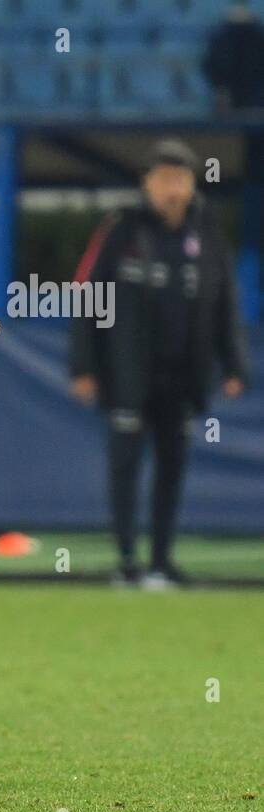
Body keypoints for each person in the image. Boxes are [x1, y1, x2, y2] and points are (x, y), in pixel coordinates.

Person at [69, 139, 249, 589]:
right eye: (164, 178)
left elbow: (225, 303)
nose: (172, 188)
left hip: (183, 374)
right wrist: (83, 365)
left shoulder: (207, 234)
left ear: (191, 184)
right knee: (126, 464)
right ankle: (127, 561)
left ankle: (162, 562)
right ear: (146, 183)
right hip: (128, 372)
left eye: (181, 179)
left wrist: (234, 365)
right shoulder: (121, 230)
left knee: (172, 468)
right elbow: (88, 298)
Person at [202, 4, 264, 112]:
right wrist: (220, 88)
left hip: (255, 92)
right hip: (229, 90)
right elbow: (211, 64)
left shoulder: (257, 36)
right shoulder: (222, 36)